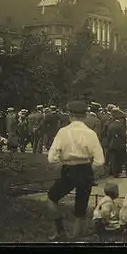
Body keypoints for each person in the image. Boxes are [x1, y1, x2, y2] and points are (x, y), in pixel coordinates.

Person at [46, 100, 105, 241]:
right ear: (85, 115)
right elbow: (100, 160)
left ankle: (59, 230)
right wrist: (89, 169)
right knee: (81, 206)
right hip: (85, 169)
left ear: (69, 115)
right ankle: (75, 238)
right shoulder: (90, 133)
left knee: (52, 198)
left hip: (68, 169)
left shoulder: (63, 132)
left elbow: (51, 158)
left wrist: (62, 164)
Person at [107, 107, 127, 178]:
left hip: (112, 144)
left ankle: (116, 173)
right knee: (125, 159)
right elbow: (124, 135)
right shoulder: (120, 126)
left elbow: (109, 136)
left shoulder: (111, 125)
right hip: (121, 145)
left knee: (115, 160)